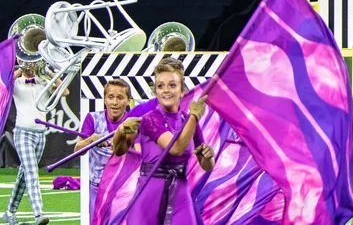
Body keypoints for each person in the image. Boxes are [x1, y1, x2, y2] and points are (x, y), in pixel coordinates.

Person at [112, 60, 215, 224]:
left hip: (180, 195)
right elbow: (175, 149)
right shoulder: (150, 119)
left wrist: (208, 156)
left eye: (172, 85)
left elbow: (206, 165)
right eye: (160, 86)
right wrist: (120, 131)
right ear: (156, 92)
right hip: (148, 196)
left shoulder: (188, 121)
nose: (166, 90)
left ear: (182, 91)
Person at [76, 78, 159, 218]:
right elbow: (78, 149)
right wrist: (91, 140)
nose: (114, 102)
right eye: (110, 97)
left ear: (128, 101)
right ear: (104, 100)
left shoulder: (133, 122)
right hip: (97, 187)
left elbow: (141, 152)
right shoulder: (93, 118)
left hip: (124, 188)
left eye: (120, 98)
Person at [3, 62, 56, 225]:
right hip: (22, 134)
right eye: (29, 63)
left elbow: (65, 91)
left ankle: (9, 212)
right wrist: (21, 67)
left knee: (24, 175)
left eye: (34, 62)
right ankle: (38, 214)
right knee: (32, 172)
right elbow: (5, 84)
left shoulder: (43, 82)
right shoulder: (16, 83)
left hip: (40, 135)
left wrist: (47, 72)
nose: (31, 66)